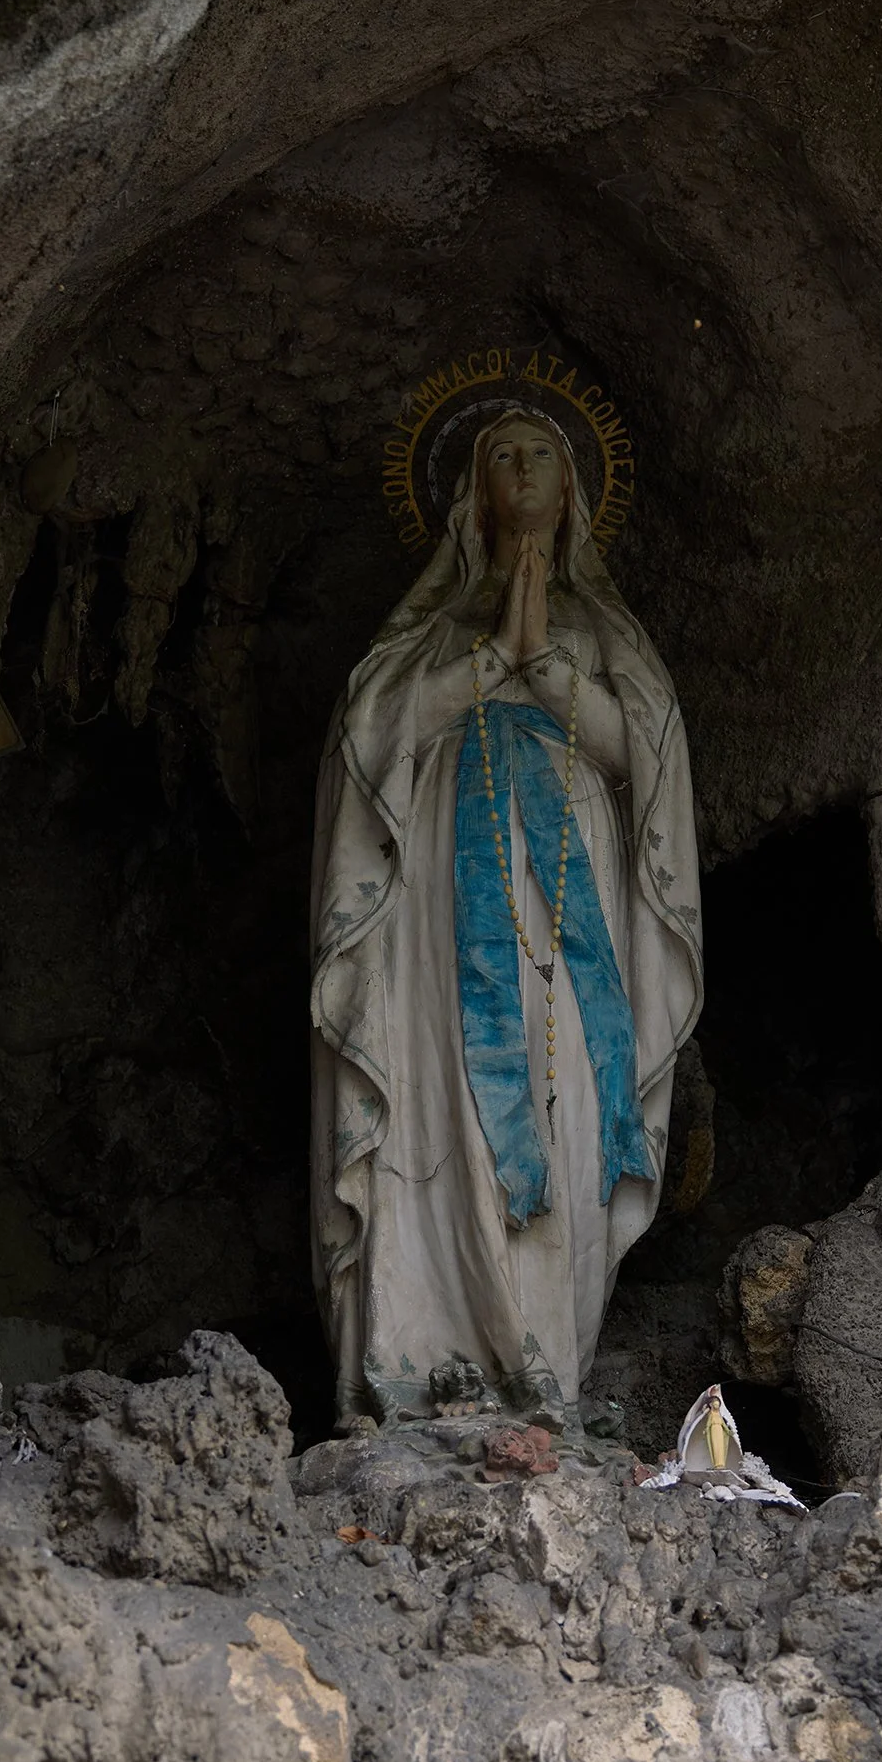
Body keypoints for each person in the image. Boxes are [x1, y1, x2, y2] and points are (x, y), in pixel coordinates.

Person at [310, 407, 701, 1421]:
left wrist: (545, 664)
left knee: (561, 1089)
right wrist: (488, 658)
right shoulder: (426, 629)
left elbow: (649, 767)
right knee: (446, 1090)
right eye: (502, 457)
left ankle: (541, 1362)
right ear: (472, 493)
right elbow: (367, 748)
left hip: (570, 896)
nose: (523, 470)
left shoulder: (605, 632)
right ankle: (421, 1354)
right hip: (442, 908)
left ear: (573, 487)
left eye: (541, 454)